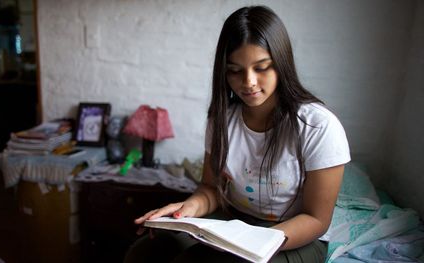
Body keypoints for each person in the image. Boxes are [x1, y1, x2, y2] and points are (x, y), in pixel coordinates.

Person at [125, 5, 350, 263]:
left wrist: (257, 241)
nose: (249, 82)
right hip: (234, 223)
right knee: (143, 253)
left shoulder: (318, 127)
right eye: (235, 70)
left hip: (293, 234)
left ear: (281, 64)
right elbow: (211, 188)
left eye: (261, 67)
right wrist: (187, 209)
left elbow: (317, 219)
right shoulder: (222, 120)